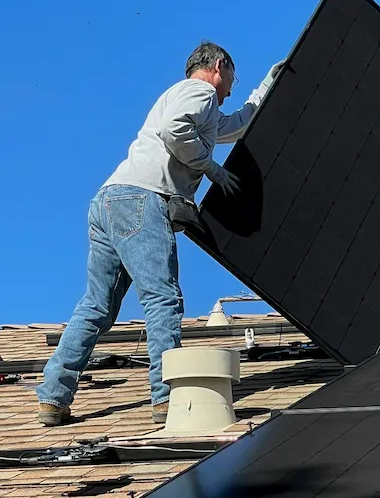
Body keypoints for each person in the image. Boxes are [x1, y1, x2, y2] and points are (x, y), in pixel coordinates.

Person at [36, 41, 284, 426]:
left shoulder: (189, 100)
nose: (234, 85)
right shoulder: (199, 91)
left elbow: (235, 126)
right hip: (142, 199)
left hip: (109, 200)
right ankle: (167, 399)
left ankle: (53, 396)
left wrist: (267, 85)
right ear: (219, 66)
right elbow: (175, 130)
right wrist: (211, 169)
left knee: (96, 307)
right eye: (234, 76)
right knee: (162, 298)